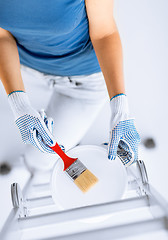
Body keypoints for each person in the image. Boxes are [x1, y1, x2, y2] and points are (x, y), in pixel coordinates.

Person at [0, 0, 140, 168]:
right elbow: (2, 36)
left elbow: (104, 33)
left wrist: (120, 109)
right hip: (25, 67)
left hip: (82, 82)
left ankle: (33, 167)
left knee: (40, 160)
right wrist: (19, 104)